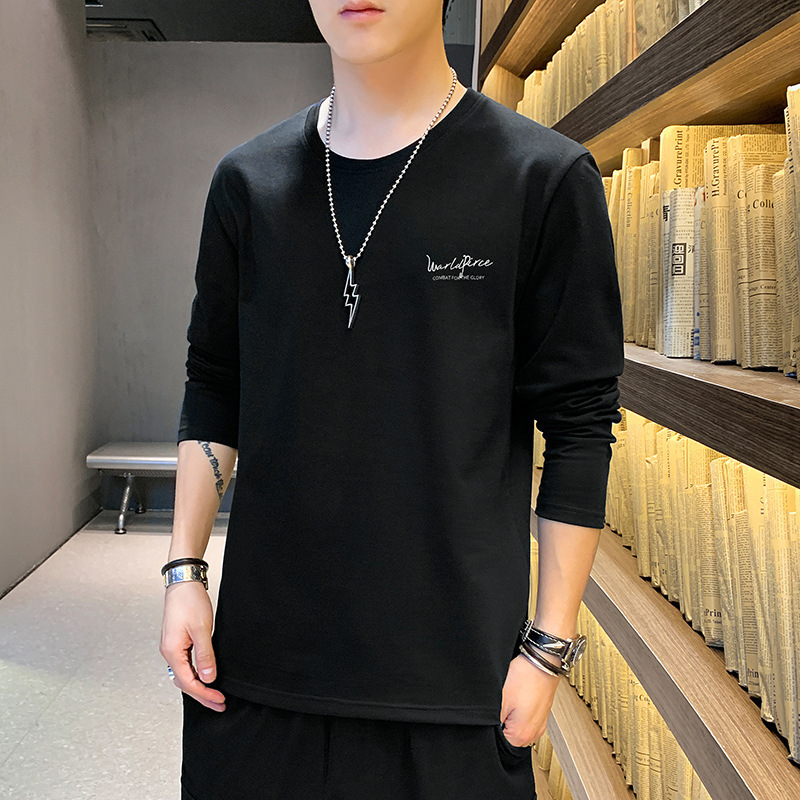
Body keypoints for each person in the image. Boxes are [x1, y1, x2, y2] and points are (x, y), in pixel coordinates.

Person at [159, 0, 624, 797]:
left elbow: (579, 423)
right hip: (258, 675)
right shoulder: (248, 183)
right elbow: (214, 383)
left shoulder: (540, 179)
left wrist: (549, 645)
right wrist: (184, 572)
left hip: (453, 688)